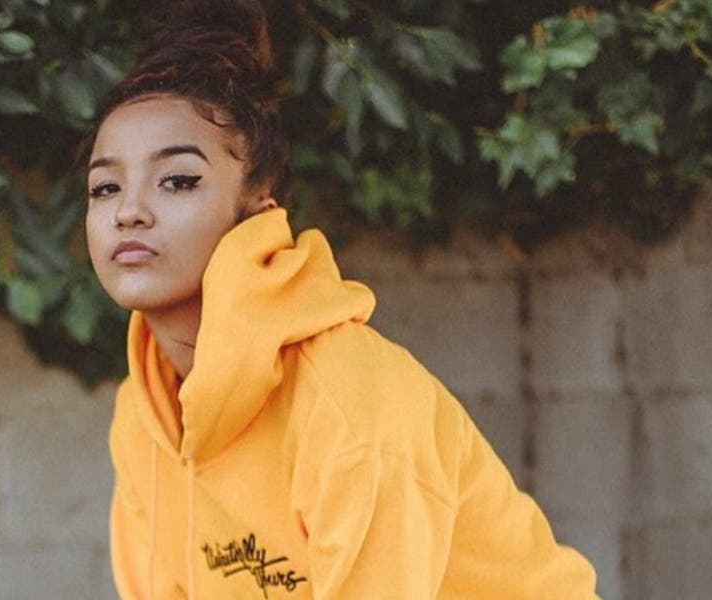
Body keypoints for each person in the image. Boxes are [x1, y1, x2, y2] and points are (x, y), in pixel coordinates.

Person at [83, 1, 600, 598]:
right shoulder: (144, 414)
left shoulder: (347, 400)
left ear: (260, 206)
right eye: (105, 187)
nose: (128, 211)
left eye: (177, 180)